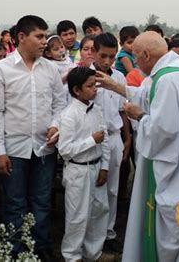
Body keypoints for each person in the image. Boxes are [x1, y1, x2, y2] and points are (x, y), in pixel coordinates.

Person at [96, 31, 179, 261]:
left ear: (145, 54)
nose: (135, 63)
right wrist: (113, 85)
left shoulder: (167, 80)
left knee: (170, 225)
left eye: (135, 57)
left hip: (175, 168)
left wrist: (140, 116)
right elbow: (146, 94)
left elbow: (163, 131)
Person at [0, 15, 66, 261]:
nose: (45, 41)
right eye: (39, 36)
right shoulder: (0, 69)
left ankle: (41, 251)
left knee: (41, 203)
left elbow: (59, 104)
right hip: (13, 149)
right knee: (15, 205)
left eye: (45, 36)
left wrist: (56, 125)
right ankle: (16, 253)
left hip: (44, 148)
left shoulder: (51, 69)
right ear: (21, 37)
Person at [58, 67, 110, 262]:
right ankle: (72, 255)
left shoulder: (96, 109)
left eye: (95, 85)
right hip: (78, 170)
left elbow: (104, 138)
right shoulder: (70, 115)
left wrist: (104, 165)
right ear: (76, 90)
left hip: (96, 166)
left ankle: (93, 252)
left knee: (99, 210)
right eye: (90, 86)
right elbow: (64, 150)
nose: (95, 89)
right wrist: (91, 141)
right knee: (77, 216)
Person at [91, 33, 131, 253]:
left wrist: (127, 138)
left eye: (111, 57)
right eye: (103, 56)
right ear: (94, 52)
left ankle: (109, 232)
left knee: (112, 190)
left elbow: (122, 110)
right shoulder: (85, 76)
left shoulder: (119, 78)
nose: (107, 62)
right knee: (94, 188)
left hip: (114, 136)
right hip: (93, 140)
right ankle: (92, 233)